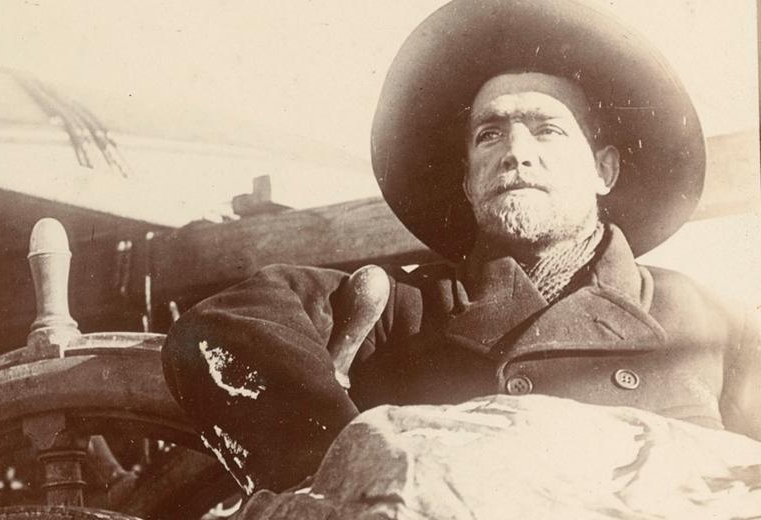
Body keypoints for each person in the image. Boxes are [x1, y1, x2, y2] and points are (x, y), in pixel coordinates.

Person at [161, 0, 761, 495]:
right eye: (489, 133)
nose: (515, 151)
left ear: (604, 170)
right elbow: (222, 328)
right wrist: (343, 470)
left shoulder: (712, 324)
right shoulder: (399, 307)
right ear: (470, 181)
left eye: (547, 129)